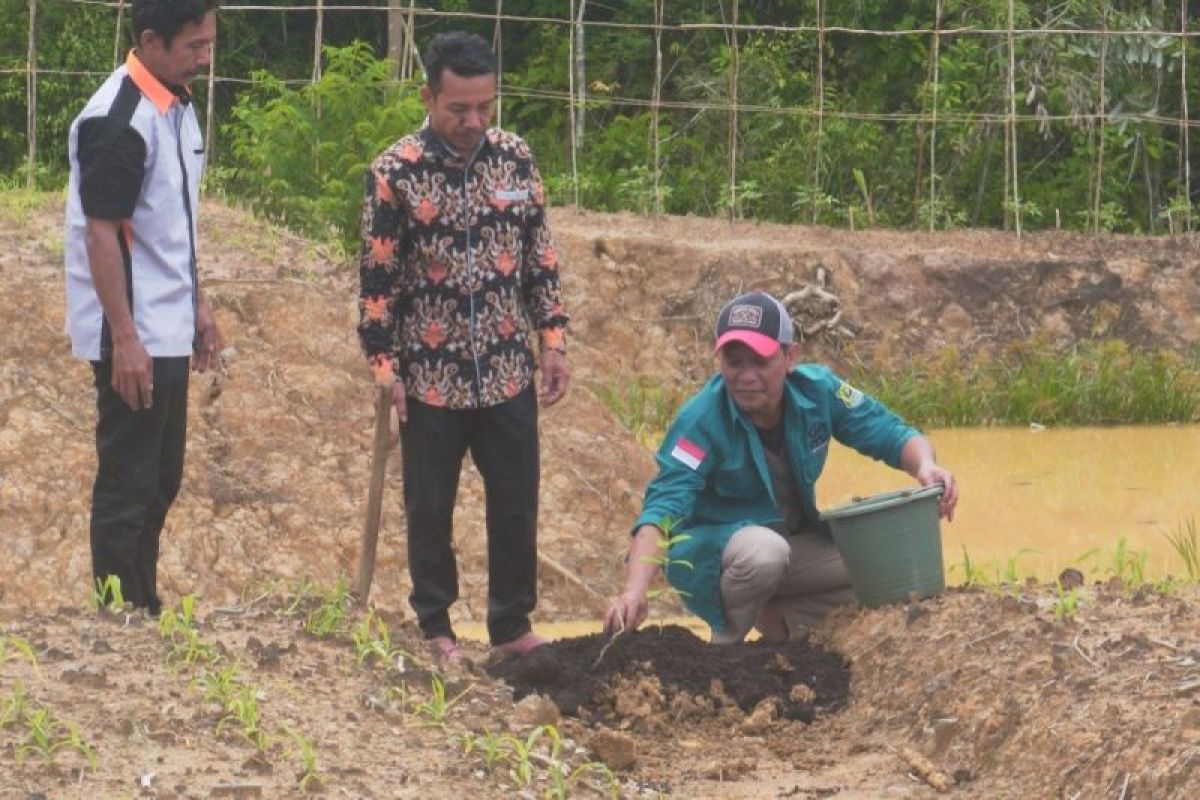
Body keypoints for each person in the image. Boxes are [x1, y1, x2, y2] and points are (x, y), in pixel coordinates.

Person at [357, 31, 570, 662]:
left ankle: (510, 627)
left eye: (484, 107)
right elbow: (377, 284)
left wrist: (552, 340)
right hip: (430, 381)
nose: (473, 121)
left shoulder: (517, 160)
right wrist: (384, 367)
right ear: (428, 96)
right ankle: (436, 629)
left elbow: (542, 258)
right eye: (459, 109)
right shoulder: (394, 173)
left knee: (514, 503)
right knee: (430, 509)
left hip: (507, 370)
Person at [604, 291, 958, 643]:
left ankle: (780, 622)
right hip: (715, 555)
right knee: (765, 553)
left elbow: (890, 433)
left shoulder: (818, 391)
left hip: (789, 544)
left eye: (760, 362)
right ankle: (726, 645)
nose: (746, 375)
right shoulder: (700, 421)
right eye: (734, 361)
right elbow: (663, 507)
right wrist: (634, 592)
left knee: (888, 568)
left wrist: (926, 466)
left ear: (790, 357)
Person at [64, 0, 222, 616]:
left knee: (161, 480)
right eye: (194, 47)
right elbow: (101, 233)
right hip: (133, 334)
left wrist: (199, 304)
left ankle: (143, 604)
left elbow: (172, 223)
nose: (206, 58)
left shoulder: (175, 103)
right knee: (128, 483)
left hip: (170, 323)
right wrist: (125, 339)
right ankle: (115, 617)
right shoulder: (118, 118)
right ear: (151, 40)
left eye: (210, 44)